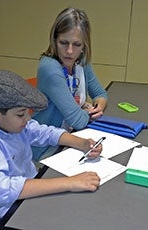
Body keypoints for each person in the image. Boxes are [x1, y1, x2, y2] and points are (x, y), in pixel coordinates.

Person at [0, 70, 101, 227]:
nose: (27, 119)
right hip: (8, 213)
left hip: (27, 190)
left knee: (81, 206)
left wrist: (81, 143)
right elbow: (0, 191)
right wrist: (69, 182)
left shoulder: (8, 123)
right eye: (21, 114)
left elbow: (44, 132)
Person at [32, 7, 108, 160]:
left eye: (77, 45)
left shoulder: (82, 61)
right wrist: (86, 110)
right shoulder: (50, 68)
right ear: (54, 40)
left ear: (84, 45)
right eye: (64, 43)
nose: (70, 51)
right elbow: (78, 121)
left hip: (71, 137)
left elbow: (100, 94)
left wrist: (97, 107)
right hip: (47, 149)